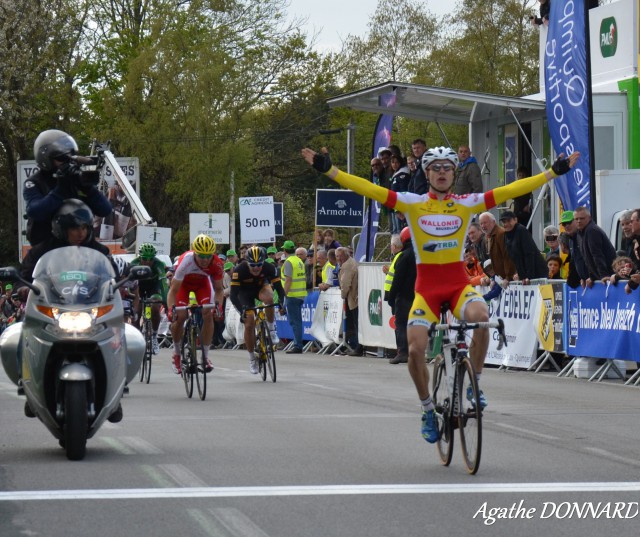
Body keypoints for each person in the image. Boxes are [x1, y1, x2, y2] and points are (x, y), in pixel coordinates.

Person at [301, 145, 579, 443]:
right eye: (437, 168)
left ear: (454, 172)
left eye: (448, 167)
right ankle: (426, 408)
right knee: (416, 349)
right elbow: (369, 189)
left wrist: (552, 172)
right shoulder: (412, 202)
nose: (443, 172)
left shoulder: (467, 202)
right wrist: (329, 170)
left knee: (482, 317)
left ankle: (474, 386)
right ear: (427, 173)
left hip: (459, 286)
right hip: (427, 291)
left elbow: (511, 188)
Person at [24, 130, 112, 246]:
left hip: (81, 247)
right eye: (61, 159)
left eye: (70, 158)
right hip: (47, 247)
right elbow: (35, 211)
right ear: (45, 158)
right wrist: (60, 191)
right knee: (29, 263)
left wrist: (88, 188)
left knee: (106, 256)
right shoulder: (35, 182)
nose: (67, 163)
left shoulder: (75, 178)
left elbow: (105, 209)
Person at [167, 234, 224, 374]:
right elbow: (173, 290)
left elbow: (218, 289)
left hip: (202, 285)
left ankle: (205, 357)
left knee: (208, 314)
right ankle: (177, 354)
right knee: (180, 316)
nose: (205, 260)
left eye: (208, 256)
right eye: (201, 256)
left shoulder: (217, 264)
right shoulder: (186, 260)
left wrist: (219, 307)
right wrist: (170, 310)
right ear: (194, 253)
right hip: (183, 286)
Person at [229, 246, 286, 373]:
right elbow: (233, 295)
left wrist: (282, 303)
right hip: (244, 294)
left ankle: (271, 329)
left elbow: (280, 289)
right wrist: (241, 310)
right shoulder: (239, 270)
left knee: (270, 299)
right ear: (247, 262)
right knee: (249, 323)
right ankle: (252, 359)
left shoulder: (269, 268)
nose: (256, 268)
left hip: (261, 288)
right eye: (252, 265)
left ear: (264, 262)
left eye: (259, 265)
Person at [130, 243, 168, 354]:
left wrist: (165, 301)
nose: (147, 262)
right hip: (139, 287)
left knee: (155, 307)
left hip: (153, 287)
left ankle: (154, 336)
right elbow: (130, 284)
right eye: (144, 259)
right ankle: (137, 338)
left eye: (150, 259)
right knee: (136, 311)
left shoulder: (159, 264)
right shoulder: (134, 264)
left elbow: (164, 284)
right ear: (140, 257)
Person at [387, 227, 416, 364]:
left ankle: (403, 352)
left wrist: (391, 297)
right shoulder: (423, 254)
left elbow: (397, 279)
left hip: (404, 296)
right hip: (419, 295)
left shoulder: (404, 256)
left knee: (402, 324)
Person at [574, 206, 617, 286]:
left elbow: (597, 255)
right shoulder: (580, 233)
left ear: (589, 218)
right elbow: (587, 259)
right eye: (576, 219)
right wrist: (590, 277)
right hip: (601, 277)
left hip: (608, 277)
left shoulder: (591, 230)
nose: (579, 221)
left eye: (582, 218)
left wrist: (604, 275)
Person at [499, 210, 547, 283]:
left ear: (515, 220)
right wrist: (520, 275)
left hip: (537, 273)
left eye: (508, 221)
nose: (506, 224)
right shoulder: (507, 235)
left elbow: (529, 254)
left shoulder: (521, 230)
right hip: (525, 276)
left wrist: (528, 277)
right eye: (504, 222)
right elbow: (515, 259)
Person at [336, 246, 362, 356]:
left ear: (345, 256)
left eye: (339, 256)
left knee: (356, 324)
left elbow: (345, 283)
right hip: (354, 297)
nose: (338, 258)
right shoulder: (351, 263)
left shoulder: (347, 266)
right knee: (355, 324)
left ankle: (358, 347)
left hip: (353, 298)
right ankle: (356, 346)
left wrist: (342, 295)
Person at [282, 246, 308, 354]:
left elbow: (288, 280)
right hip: (300, 294)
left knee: (295, 322)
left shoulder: (289, 262)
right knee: (297, 321)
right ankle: (297, 344)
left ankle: (298, 345)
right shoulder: (299, 261)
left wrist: (284, 295)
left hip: (292, 295)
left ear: (285, 251)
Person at [478, 212, 517, 281]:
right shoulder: (488, 237)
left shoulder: (501, 234)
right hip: (500, 278)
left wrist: (508, 277)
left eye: (485, 223)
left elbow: (507, 257)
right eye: (481, 224)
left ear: (493, 222)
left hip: (507, 279)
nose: (483, 226)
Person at [389, 154, 410, 234]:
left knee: (400, 232)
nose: (394, 164)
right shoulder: (395, 174)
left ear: (400, 163)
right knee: (395, 231)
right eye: (392, 162)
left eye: (396, 162)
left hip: (400, 208)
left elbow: (402, 192)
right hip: (395, 207)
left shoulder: (403, 174)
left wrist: (399, 209)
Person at [512, 166, 533, 231]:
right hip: (517, 213)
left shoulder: (529, 186)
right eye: (519, 175)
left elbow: (533, 196)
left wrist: (529, 206)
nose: (521, 177)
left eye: (523, 175)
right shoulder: (515, 185)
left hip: (526, 214)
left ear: (526, 176)